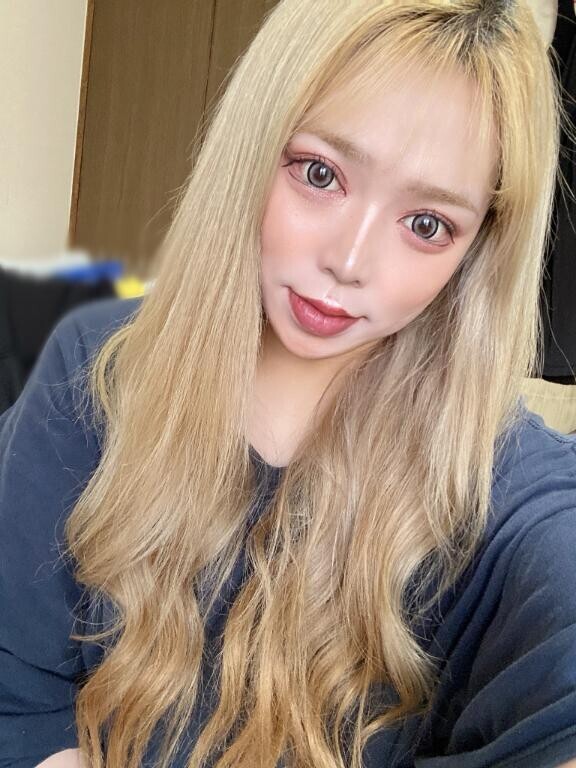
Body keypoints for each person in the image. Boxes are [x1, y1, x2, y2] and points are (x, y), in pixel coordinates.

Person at [1, 0, 575, 766]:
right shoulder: (94, 368)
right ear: (254, 146)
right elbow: (20, 699)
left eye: (427, 224)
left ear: (477, 252)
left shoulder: (501, 486)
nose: (350, 260)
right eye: (320, 174)